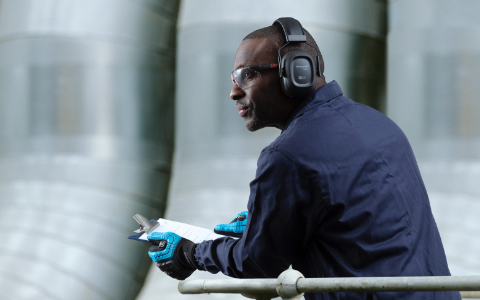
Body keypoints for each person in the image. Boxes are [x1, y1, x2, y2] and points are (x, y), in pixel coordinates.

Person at [147, 18, 460, 300]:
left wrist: (190, 253)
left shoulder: (288, 155)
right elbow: (360, 224)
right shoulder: (379, 124)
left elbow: (258, 263)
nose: (233, 92)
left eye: (246, 75)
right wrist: (269, 223)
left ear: (295, 73)